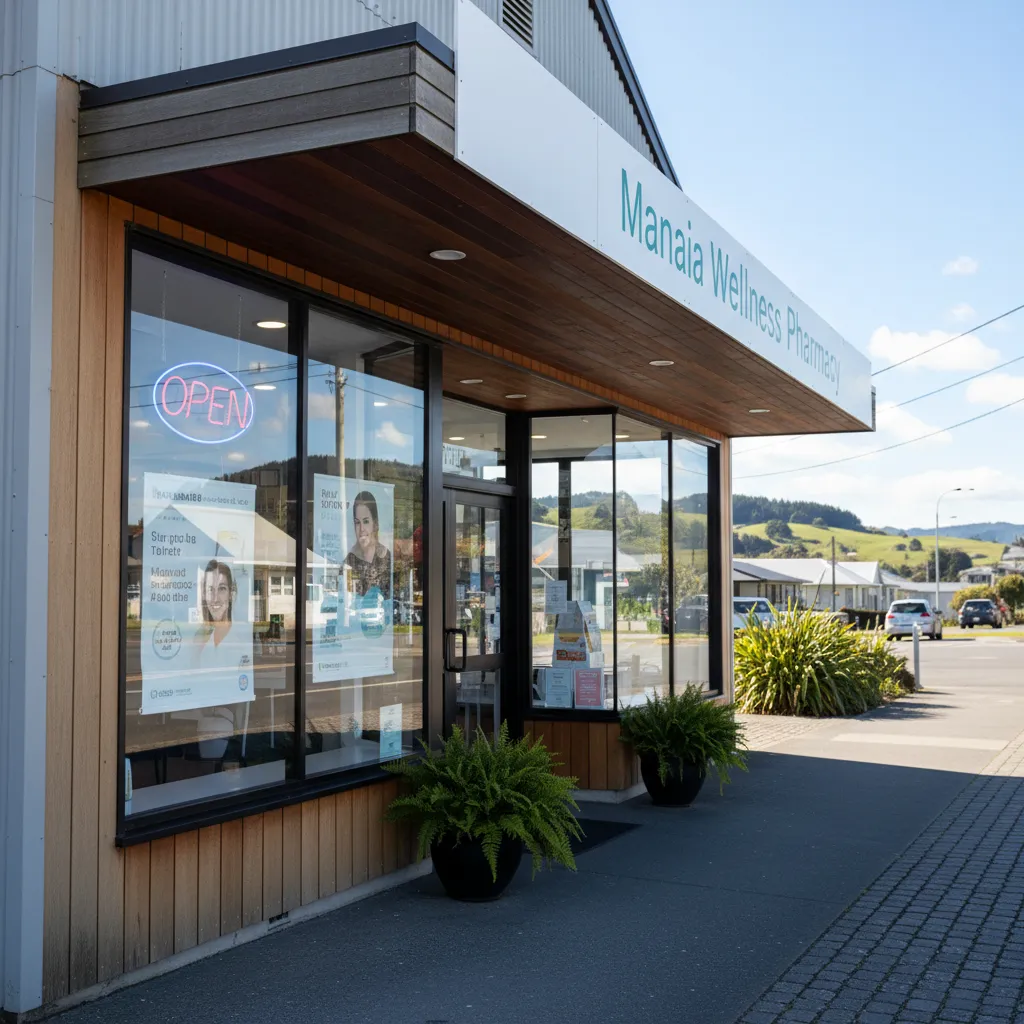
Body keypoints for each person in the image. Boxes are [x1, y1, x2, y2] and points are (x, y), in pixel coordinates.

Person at [344, 490, 392, 599]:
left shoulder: (386, 556)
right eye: (357, 522)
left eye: (366, 521)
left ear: (375, 524)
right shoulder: (349, 561)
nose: (361, 529)